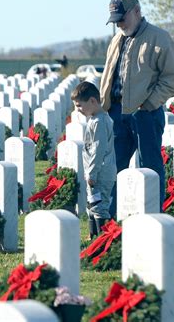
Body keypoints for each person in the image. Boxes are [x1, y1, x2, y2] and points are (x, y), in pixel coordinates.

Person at [100, 0, 174, 216]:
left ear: (136, 11)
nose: (119, 25)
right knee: (115, 167)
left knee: (150, 167)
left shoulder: (159, 38)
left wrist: (149, 104)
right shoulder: (116, 40)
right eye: (115, 21)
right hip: (116, 113)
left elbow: (172, 80)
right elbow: (109, 76)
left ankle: (153, 217)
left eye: (122, 19)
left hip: (145, 113)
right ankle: (114, 219)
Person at [71, 81, 116, 238]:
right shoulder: (94, 119)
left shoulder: (99, 122)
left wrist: (92, 173)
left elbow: (98, 149)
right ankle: (93, 236)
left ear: (92, 101)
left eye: (79, 106)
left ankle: (103, 239)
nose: (78, 110)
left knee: (100, 206)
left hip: (100, 172)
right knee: (93, 204)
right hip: (96, 171)